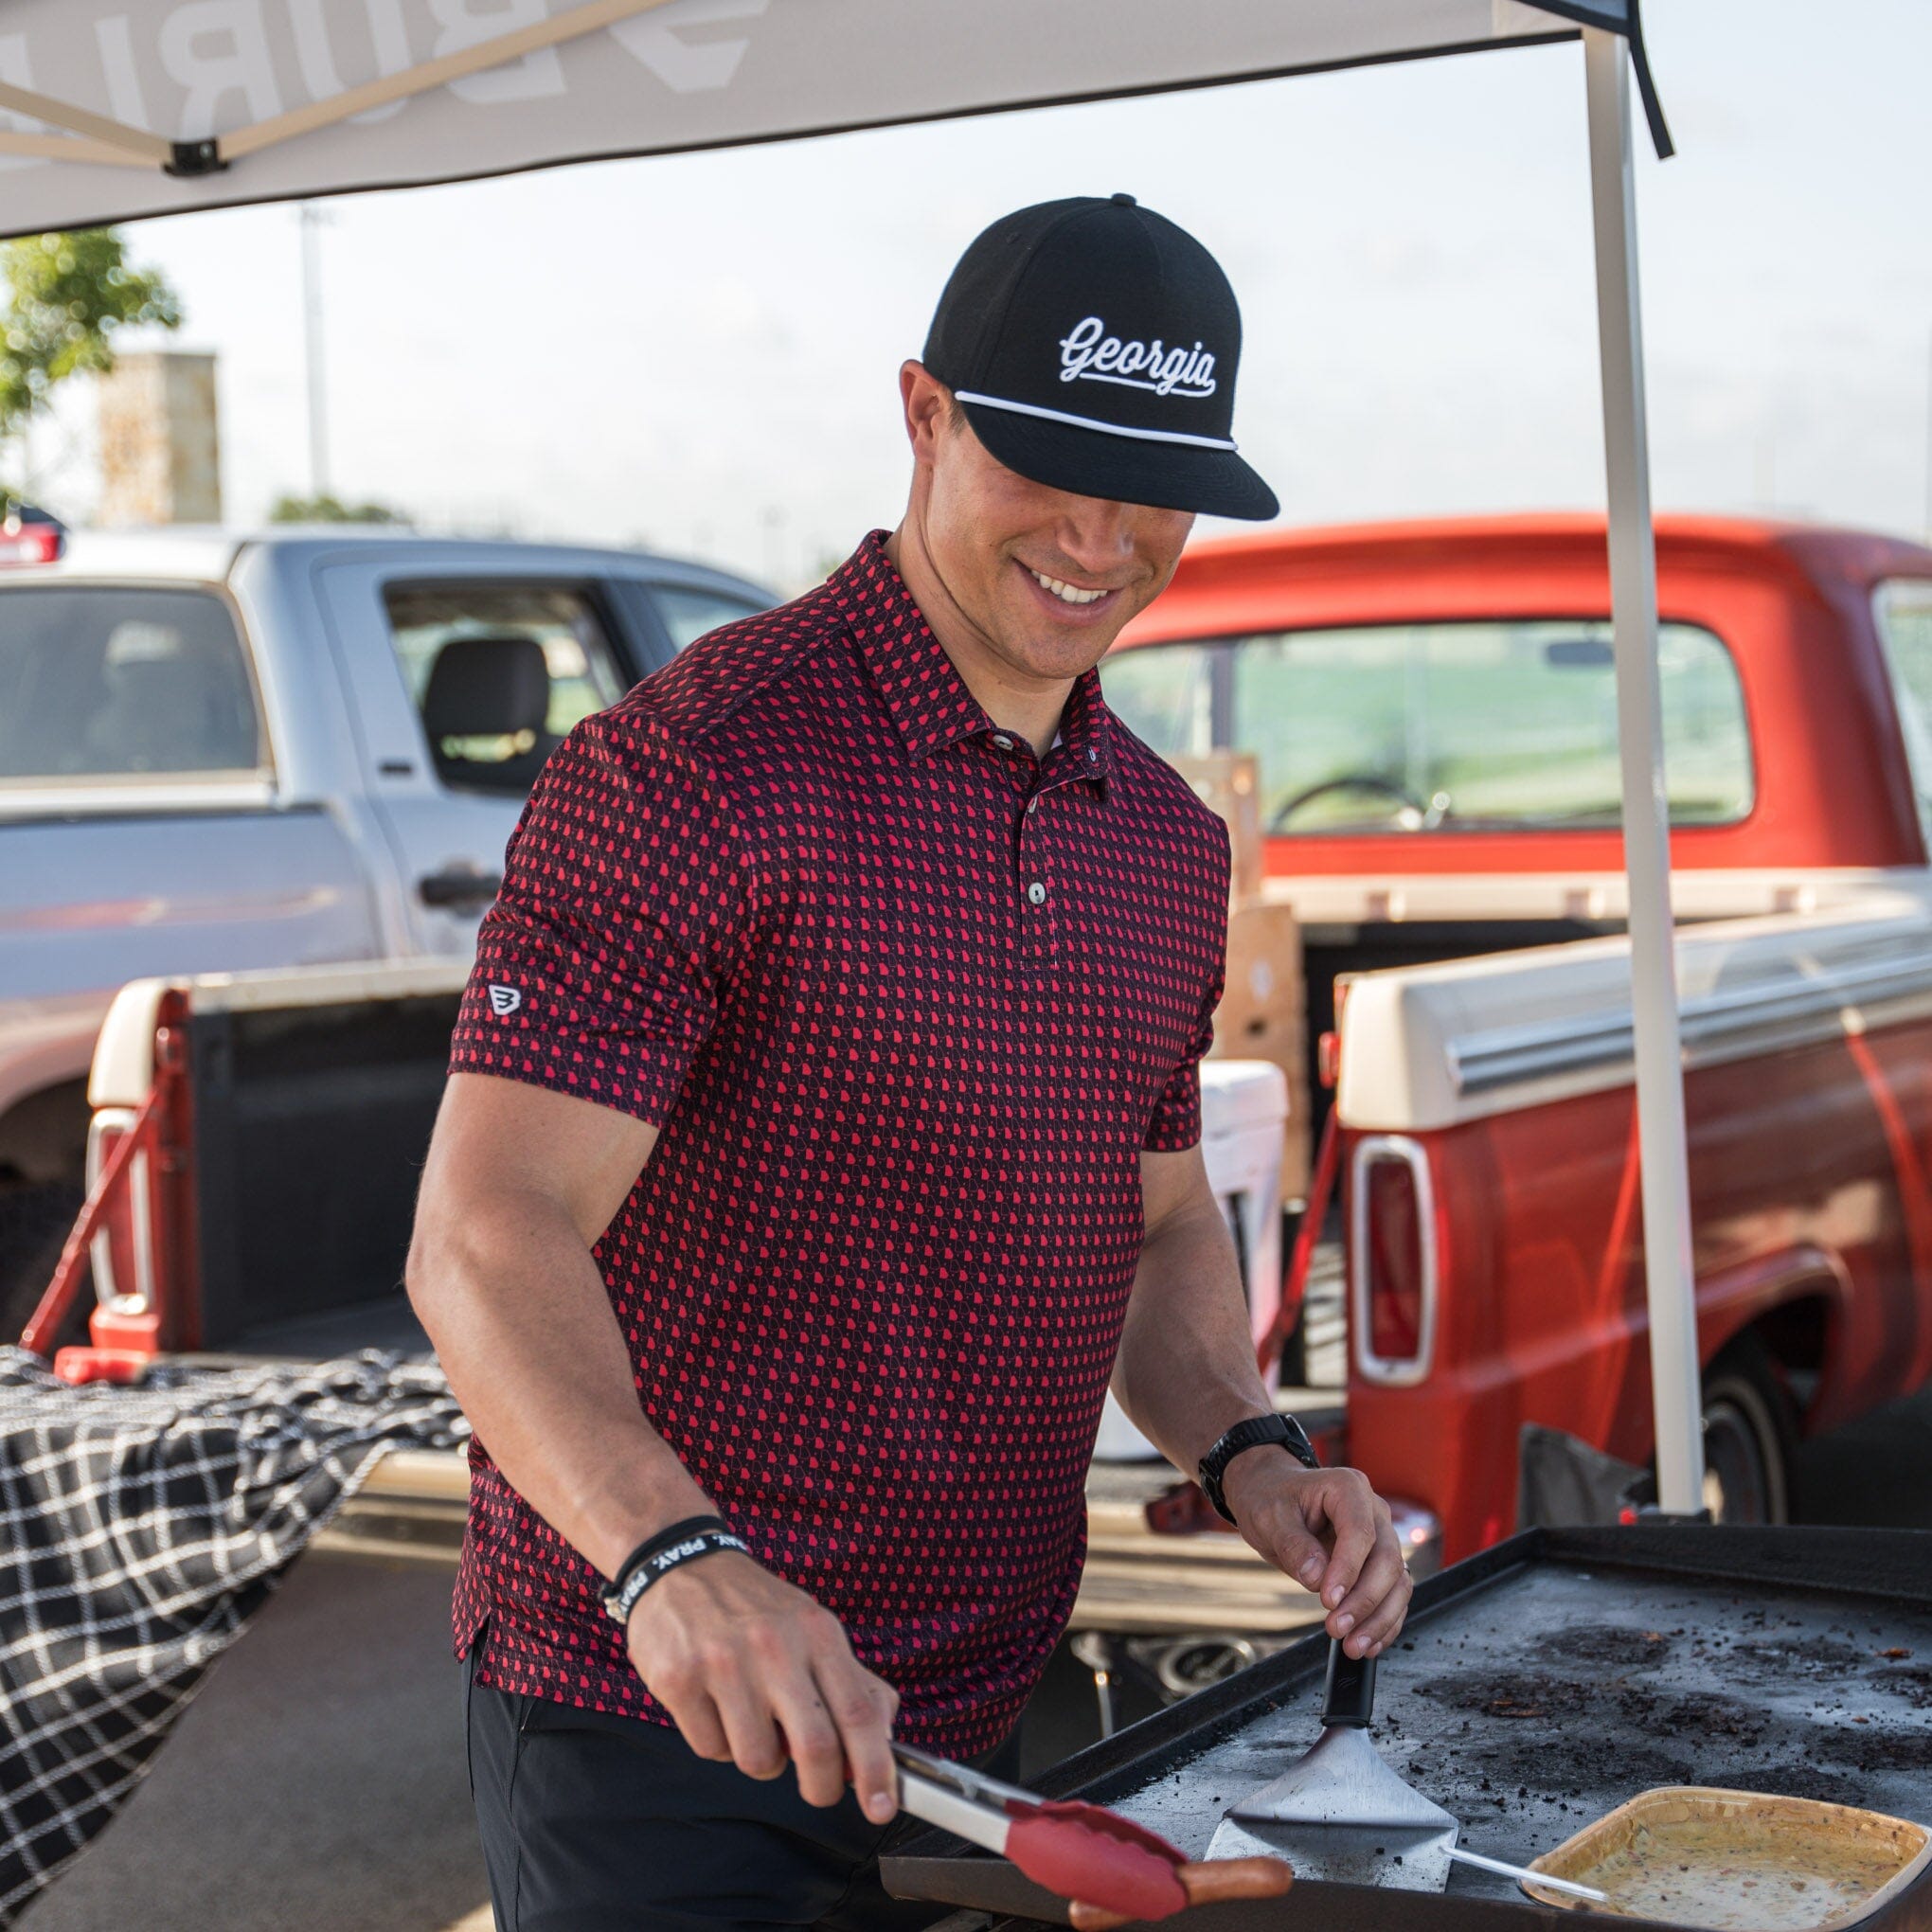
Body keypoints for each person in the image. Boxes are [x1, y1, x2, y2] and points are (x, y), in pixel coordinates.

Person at [406, 192, 1413, 1932]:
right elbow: (487, 1231)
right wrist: (674, 1557)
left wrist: (1255, 1449)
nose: (1102, 539)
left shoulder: (1165, 844)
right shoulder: (690, 772)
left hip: (988, 1722)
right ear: (924, 414)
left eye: (1154, 486)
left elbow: (1157, 1220)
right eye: (1047, 467)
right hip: (659, 1708)